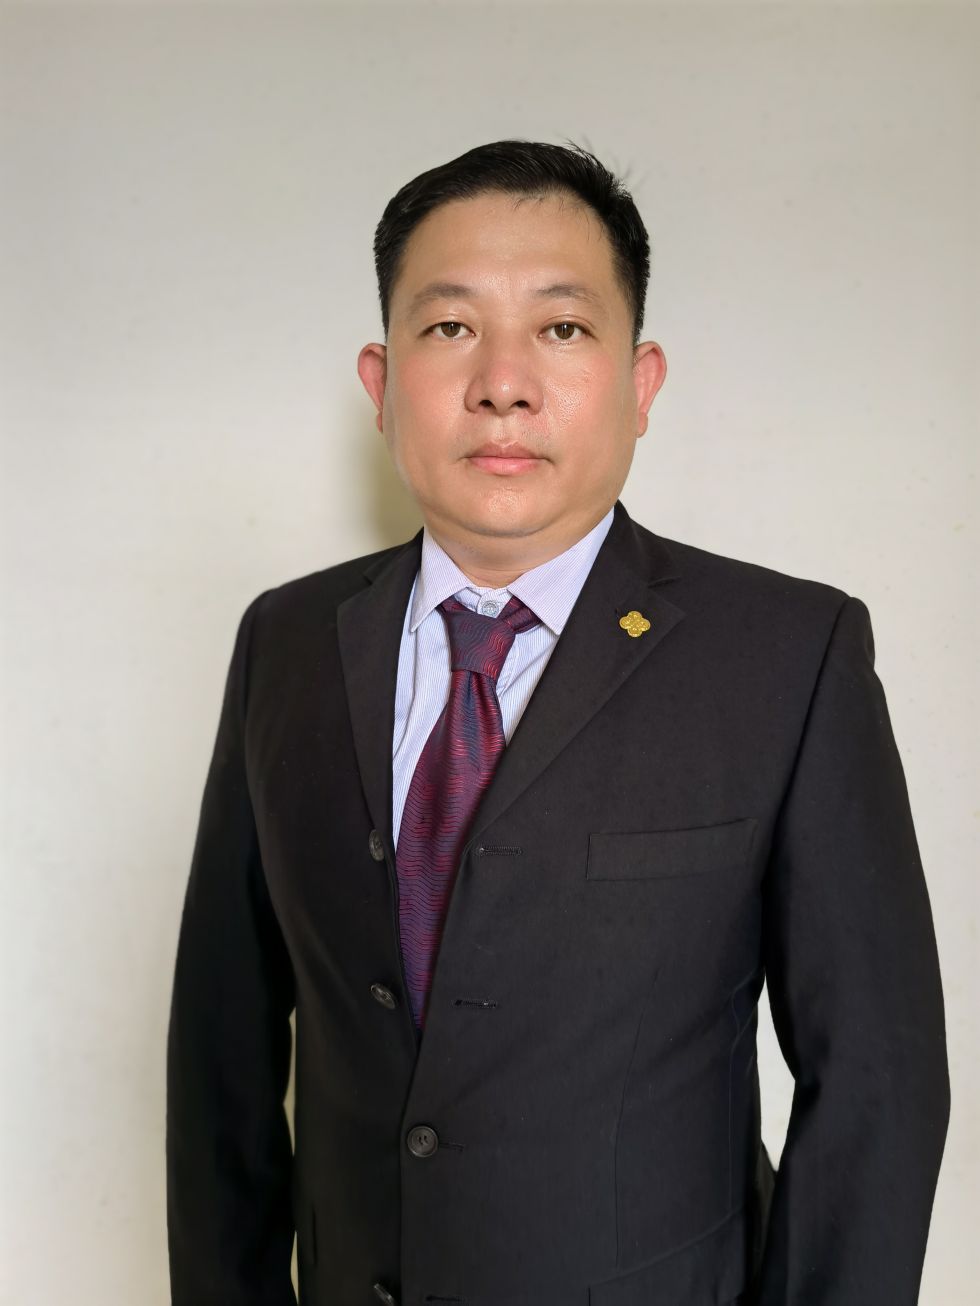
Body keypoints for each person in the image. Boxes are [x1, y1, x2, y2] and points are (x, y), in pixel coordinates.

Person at [165, 140, 950, 1306]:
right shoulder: (285, 641)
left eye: (561, 327)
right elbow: (220, 1053)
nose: (502, 382)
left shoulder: (786, 656)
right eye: (449, 327)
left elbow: (876, 1084)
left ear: (640, 383)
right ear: (380, 384)